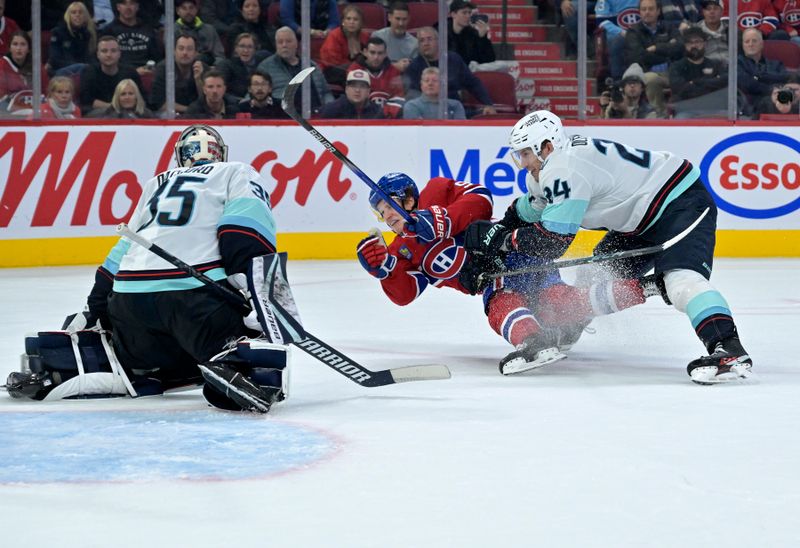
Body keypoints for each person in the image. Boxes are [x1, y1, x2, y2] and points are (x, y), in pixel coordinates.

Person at [6, 125, 293, 414]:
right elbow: (244, 237)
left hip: (130, 308)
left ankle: (109, 369)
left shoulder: (157, 182)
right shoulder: (236, 171)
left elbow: (121, 253)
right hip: (196, 307)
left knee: (139, 357)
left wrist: (94, 311)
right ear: (220, 153)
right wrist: (267, 305)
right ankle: (233, 364)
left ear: (181, 156)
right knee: (255, 332)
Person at [468, 110, 753, 384]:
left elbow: (552, 243)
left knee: (681, 280)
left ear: (546, 146)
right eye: (518, 155)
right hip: (640, 218)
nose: (522, 162)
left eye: (525, 154)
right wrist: (501, 230)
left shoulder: (563, 169)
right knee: (597, 275)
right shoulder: (547, 170)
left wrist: (504, 240)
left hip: (680, 203)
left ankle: (729, 349)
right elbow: (530, 210)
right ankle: (568, 328)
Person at [357, 173, 597, 375]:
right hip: (492, 279)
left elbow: (481, 198)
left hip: (508, 252)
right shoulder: (401, 252)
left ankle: (536, 340)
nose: (386, 215)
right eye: (381, 212)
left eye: (389, 205)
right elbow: (404, 295)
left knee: (532, 301)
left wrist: (444, 221)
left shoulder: (436, 192)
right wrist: (384, 270)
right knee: (556, 307)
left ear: (409, 198)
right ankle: (579, 310)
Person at [405, 27, 496, 117]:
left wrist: (488, 104)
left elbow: (473, 83)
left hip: (455, 109)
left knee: (482, 114)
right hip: (428, 112)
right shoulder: (414, 66)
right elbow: (413, 95)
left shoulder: (453, 59)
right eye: (422, 40)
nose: (426, 44)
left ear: (439, 41)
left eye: (429, 39)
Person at [623, 0, 683, 118]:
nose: (647, 12)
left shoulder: (670, 27)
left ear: (658, 11)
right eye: (644, 9)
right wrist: (668, 49)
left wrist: (657, 48)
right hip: (648, 72)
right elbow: (638, 56)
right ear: (639, 12)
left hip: (672, 71)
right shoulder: (633, 31)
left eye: (651, 9)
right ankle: (658, 114)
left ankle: (681, 114)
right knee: (650, 79)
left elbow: (680, 47)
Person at [256, 26, 332, 112]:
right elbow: (255, 93)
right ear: (276, 45)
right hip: (283, 117)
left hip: (317, 115)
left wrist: (329, 108)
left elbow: (326, 93)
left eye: (288, 41)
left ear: (296, 44)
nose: (284, 45)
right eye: (280, 42)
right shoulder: (266, 67)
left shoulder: (312, 65)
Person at [668, 26, 727, 118]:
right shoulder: (676, 66)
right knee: (680, 121)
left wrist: (695, 83)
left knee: (730, 118)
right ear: (685, 45)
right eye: (690, 43)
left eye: (697, 42)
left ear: (705, 43)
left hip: (714, 109)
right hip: (686, 111)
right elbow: (680, 89)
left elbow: (723, 83)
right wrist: (709, 86)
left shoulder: (716, 65)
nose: (694, 45)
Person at [79, 35, 143, 115]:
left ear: (119, 54)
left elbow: (140, 98)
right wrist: (115, 108)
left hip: (128, 112)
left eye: (113, 51)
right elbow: (87, 100)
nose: (109, 55)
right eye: (104, 51)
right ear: (98, 54)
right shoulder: (88, 72)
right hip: (97, 115)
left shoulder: (130, 72)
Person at [348, 36, 405, 117]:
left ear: (385, 54)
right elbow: (354, 99)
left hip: (386, 117)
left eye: (380, 53)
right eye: (372, 52)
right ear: (365, 52)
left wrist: (383, 114)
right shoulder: (355, 70)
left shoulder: (394, 72)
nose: (376, 57)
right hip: (360, 116)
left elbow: (398, 99)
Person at [100, 0, 162, 75]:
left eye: (132, 3)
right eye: (124, 3)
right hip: (120, 74)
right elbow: (106, 60)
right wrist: (134, 72)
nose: (128, 7)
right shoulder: (108, 31)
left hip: (147, 72)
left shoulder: (148, 29)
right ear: (118, 7)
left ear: (137, 7)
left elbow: (157, 57)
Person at [149, 33, 204, 114]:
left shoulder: (201, 68)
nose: (185, 53)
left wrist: (198, 80)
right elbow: (160, 104)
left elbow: (208, 103)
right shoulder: (163, 69)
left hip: (197, 117)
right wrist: (190, 110)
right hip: (169, 117)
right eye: (181, 48)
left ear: (196, 53)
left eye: (189, 49)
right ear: (174, 51)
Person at [738, 28, 789, 112]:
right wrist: (771, 89)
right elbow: (746, 84)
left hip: (777, 107)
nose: (750, 44)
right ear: (743, 45)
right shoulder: (737, 64)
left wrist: (759, 77)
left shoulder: (776, 64)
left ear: (762, 44)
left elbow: (785, 79)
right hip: (748, 109)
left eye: (754, 41)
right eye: (747, 42)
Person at [319, 4, 370, 88]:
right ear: (343, 21)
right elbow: (333, 63)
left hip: (357, 71)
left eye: (355, 19)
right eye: (348, 18)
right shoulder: (334, 36)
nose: (351, 22)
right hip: (333, 71)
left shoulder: (365, 37)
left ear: (361, 22)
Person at [46, 1, 97, 77]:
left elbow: (89, 58)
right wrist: (78, 65)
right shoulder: (58, 32)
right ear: (68, 16)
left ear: (85, 16)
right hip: (61, 71)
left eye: (80, 12)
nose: (77, 15)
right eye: (74, 12)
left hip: (82, 70)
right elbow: (55, 60)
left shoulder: (87, 34)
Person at [441, 0, 496, 66]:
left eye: (469, 13)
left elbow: (488, 59)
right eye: (464, 13)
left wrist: (482, 38)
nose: (468, 16)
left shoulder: (472, 34)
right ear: (453, 14)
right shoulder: (441, 32)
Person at [0, 31, 49, 100]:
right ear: (9, 48)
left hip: (34, 107)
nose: (19, 48)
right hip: (8, 108)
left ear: (29, 49)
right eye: (15, 44)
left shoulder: (36, 65)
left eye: (23, 44)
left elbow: (45, 91)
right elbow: (1, 97)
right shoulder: (2, 65)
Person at [175, 0, 226, 66]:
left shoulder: (210, 30)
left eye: (191, 8)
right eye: (184, 8)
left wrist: (214, 68)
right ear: (177, 11)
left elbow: (220, 56)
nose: (188, 12)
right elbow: (172, 57)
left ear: (196, 9)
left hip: (209, 70)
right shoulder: (172, 31)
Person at [215, 32, 265, 100]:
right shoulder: (226, 65)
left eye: (250, 47)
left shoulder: (262, 63)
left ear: (255, 50)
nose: (245, 50)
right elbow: (220, 90)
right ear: (236, 48)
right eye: (242, 46)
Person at [371, 1, 417, 73]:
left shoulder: (415, 43)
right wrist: (394, 66)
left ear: (408, 19)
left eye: (404, 19)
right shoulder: (378, 36)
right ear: (389, 17)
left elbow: (416, 69)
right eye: (397, 19)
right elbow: (372, 63)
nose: (401, 23)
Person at [319, 68, 384, 119]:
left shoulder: (377, 111)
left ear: (368, 91)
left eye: (362, 86)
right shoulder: (331, 110)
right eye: (353, 86)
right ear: (346, 89)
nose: (357, 90)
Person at [697, 0, 728, 66]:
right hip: (707, 70)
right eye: (708, 9)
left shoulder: (730, 29)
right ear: (703, 12)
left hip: (732, 69)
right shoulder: (696, 31)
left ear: (722, 11)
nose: (712, 12)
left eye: (715, 8)